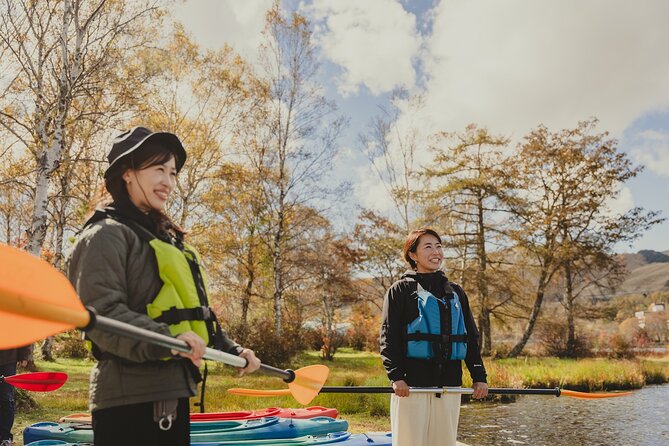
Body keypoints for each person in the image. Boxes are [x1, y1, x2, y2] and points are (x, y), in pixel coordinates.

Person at [67, 126, 261, 446]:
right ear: (127, 173)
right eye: (159, 169)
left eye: (172, 172)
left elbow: (191, 313)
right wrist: (168, 340)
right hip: (131, 400)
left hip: (171, 389)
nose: (168, 182)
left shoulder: (163, 239)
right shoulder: (106, 235)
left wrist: (233, 350)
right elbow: (102, 314)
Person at [380, 228, 488, 446]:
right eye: (428, 247)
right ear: (412, 255)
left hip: (449, 384)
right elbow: (388, 336)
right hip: (411, 386)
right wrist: (396, 376)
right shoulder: (399, 290)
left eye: (438, 246)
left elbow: (471, 337)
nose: (435, 252)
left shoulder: (456, 292)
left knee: (444, 442)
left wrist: (479, 376)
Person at [0, 346, 32, 446]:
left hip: (7, 360)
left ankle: (5, 437)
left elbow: (22, 332)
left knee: (6, 398)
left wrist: (24, 355)